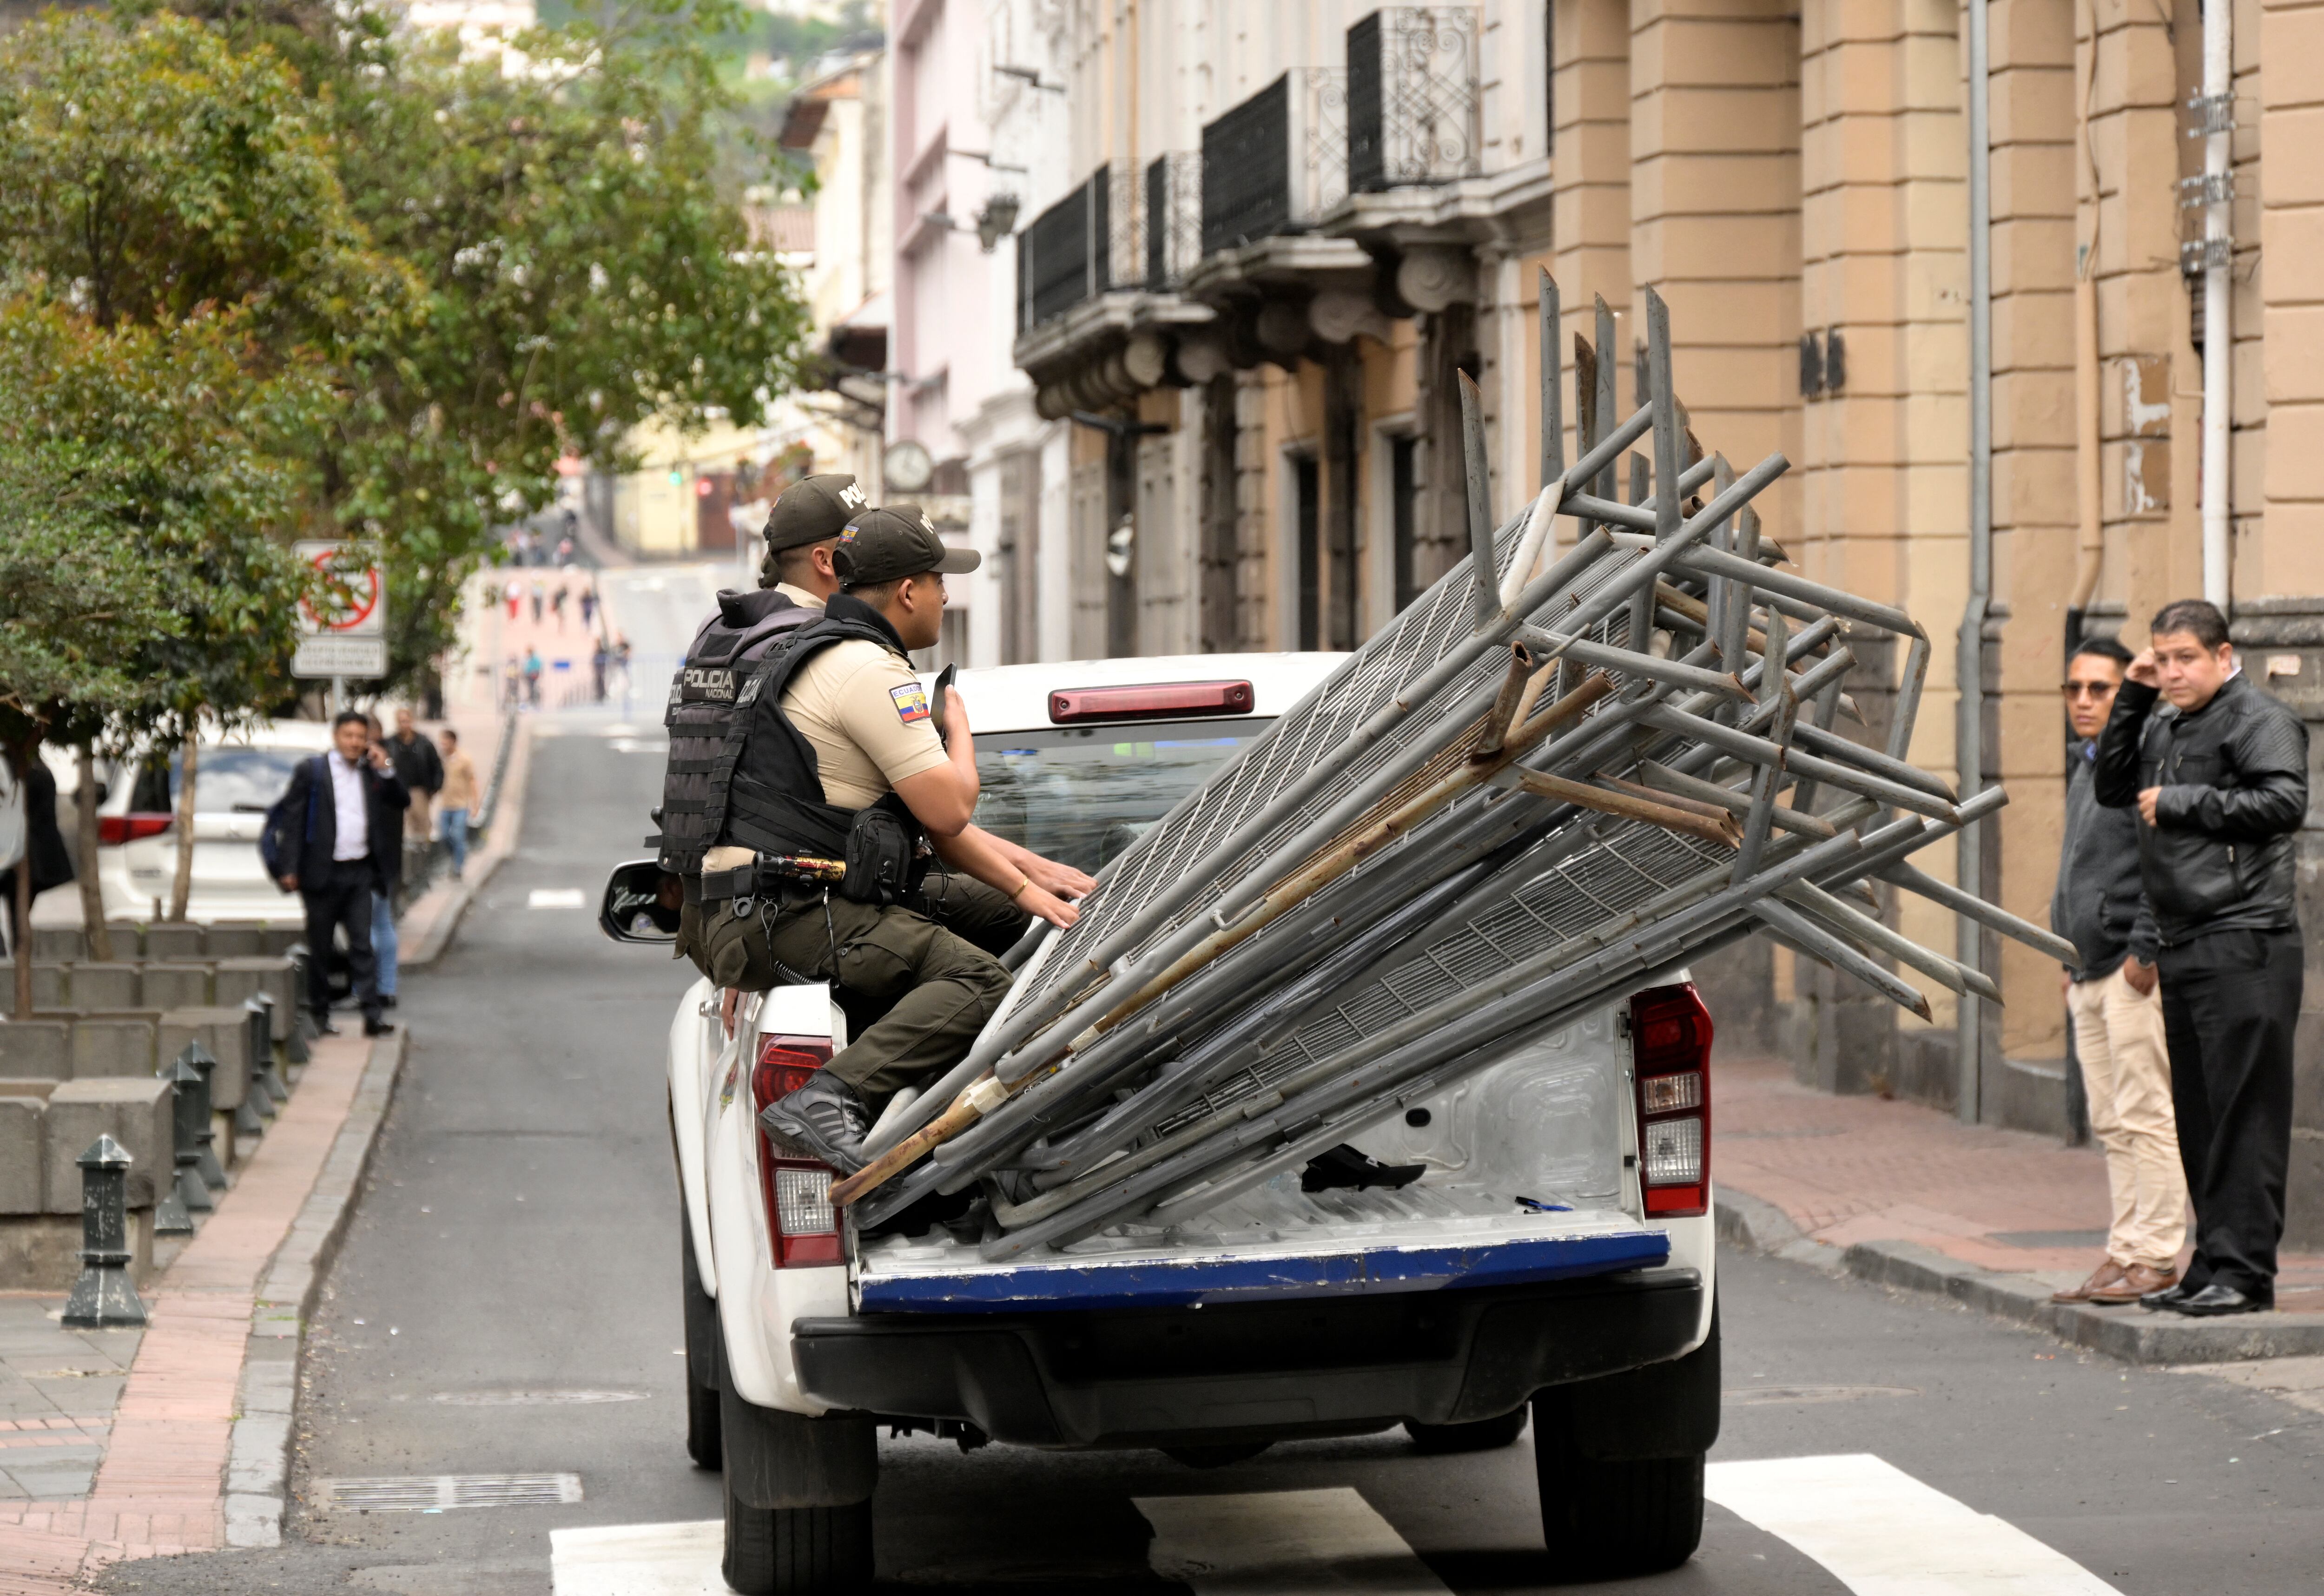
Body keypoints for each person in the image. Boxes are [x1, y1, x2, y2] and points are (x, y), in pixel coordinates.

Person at [700, 507, 1092, 1174]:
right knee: (978, 980)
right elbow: (950, 806)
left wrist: (1031, 882)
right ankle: (829, 1097)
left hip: (773, 900)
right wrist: (957, 729)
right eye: (939, 582)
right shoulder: (864, 669)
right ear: (908, 592)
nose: (946, 596)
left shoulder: (830, 651)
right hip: (782, 911)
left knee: (997, 913)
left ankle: (920, 1062)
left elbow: (936, 831)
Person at [2095, 598, 2308, 1318]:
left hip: (2247, 939)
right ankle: (2213, 1259)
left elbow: (2284, 801)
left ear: (2224, 656)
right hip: (2188, 940)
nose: (2174, 671)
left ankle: (2246, 1273)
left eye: (2187, 657)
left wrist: (2187, 801)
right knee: (2201, 1115)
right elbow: (2113, 785)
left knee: (2244, 1115)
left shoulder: (2260, 718)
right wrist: (2132, 691)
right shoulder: (2166, 717)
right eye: (2163, 657)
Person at [2048, 636, 2183, 1307]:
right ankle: (2126, 1247)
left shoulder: (2143, 756)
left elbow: (2166, 857)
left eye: (2098, 689)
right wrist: (2064, 950)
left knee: (2147, 1112)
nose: (2082, 701)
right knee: (2111, 1119)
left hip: (2130, 969)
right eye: (2073, 689)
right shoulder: (2088, 759)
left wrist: (2145, 950)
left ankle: (2157, 1255)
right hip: (2086, 968)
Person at [270, 711, 406, 1036]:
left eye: (361, 737)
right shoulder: (312, 771)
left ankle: (372, 1016)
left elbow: (400, 799)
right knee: (322, 948)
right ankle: (320, 1016)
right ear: (336, 736)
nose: (355, 743)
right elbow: (293, 820)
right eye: (349, 736)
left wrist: (385, 768)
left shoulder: (369, 773)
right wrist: (289, 868)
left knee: (363, 944)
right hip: (321, 874)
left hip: (359, 872)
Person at [364, 716, 404, 1011]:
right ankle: (380, 988)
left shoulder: (382, 770)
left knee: (373, 926)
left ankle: (379, 989)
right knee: (377, 925)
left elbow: (402, 799)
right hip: (366, 861)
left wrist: (385, 768)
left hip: (378, 862)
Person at [385, 707, 444, 855]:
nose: (404, 725)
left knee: (422, 827)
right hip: (398, 790)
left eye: (406, 721)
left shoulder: (423, 743)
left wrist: (434, 788)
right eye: (401, 722)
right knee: (402, 828)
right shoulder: (390, 743)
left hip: (419, 791)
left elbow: (436, 765)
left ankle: (423, 859)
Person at [435, 727, 479, 880]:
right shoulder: (441, 760)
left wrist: (475, 803)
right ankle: (455, 857)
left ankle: (458, 867)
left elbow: (472, 780)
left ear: (453, 742)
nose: (443, 745)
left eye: (445, 742)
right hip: (445, 804)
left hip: (460, 804)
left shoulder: (464, 759)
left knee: (458, 836)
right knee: (444, 835)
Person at [522, 646, 544, 710]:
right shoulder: (529, 658)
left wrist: (535, 672)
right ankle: (531, 700)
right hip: (529, 676)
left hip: (533, 676)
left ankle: (533, 701)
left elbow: (537, 666)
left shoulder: (535, 658)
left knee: (532, 688)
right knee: (530, 688)